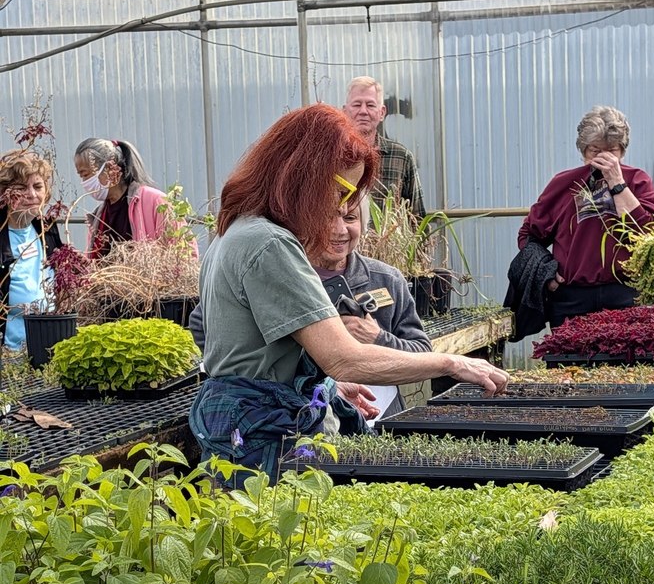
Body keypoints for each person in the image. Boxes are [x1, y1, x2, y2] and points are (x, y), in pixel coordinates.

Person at [189, 103, 507, 486]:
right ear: (300, 175)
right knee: (275, 535)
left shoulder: (235, 232)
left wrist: (326, 389)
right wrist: (451, 364)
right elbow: (342, 357)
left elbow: (250, 355)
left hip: (240, 421)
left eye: (351, 197)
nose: (341, 208)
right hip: (259, 433)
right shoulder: (269, 244)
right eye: (340, 189)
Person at [517, 106, 654, 328]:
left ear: (622, 151)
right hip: (571, 297)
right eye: (595, 151)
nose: (602, 159)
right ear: (583, 150)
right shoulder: (563, 183)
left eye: (611, 151)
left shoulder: (636, 181)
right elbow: (529, 235)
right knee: (567, 361)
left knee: (629, 361)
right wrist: (546, 274)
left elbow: (650, 234)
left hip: (627, 294)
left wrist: (617, 183)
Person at [307, 196, 431, 417]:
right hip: (313, 420)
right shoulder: (294, 282)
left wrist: (377, 338)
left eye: (350, 217)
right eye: (326, 217)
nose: (340, 229)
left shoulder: (386, 279)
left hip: (383, 418)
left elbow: (423, 354)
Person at [74, 138, 185, 258]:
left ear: (109, 168)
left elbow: (183, 254)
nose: (84, 182)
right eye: (81, 177)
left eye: (86, 174)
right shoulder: (98, 217)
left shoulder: (157, 202)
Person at [0, 150, 63, 350]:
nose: (32, 195)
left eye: (38, 186)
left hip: (51, 344)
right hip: (10, 353)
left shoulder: (47, 228)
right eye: (21, 188)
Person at [342, 76, 426, 218]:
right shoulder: (332, 156)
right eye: (357, 105)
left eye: (370, 105)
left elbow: (417, 217)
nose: (363, 111)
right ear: (344, 111)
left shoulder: (401, 157)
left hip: (386, 240)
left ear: (381, 113)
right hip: (344, 239)